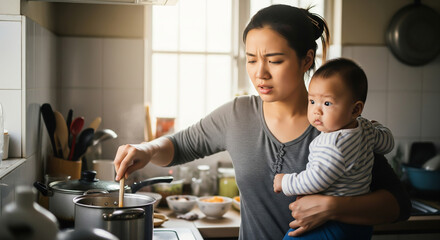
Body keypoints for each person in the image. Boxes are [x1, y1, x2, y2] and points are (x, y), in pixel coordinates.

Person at [113, 4, 411, 240]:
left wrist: (332, 207)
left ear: (307, 60)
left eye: (275, 60)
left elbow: (398, 204)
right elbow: (178, 146)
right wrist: (147, 149)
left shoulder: (339, 125)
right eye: (252, 59)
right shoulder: (237, 114)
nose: (260, 73)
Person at [273, 58, 394, 239]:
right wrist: (380, 128)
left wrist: (285, 182)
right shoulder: (366, 128)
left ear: (355, 109)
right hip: (359, 223)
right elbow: (387, 143)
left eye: (327, 103)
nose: (316, 111)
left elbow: (315, 180)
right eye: (312, 101)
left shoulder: (332, 144)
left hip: (331, 225)